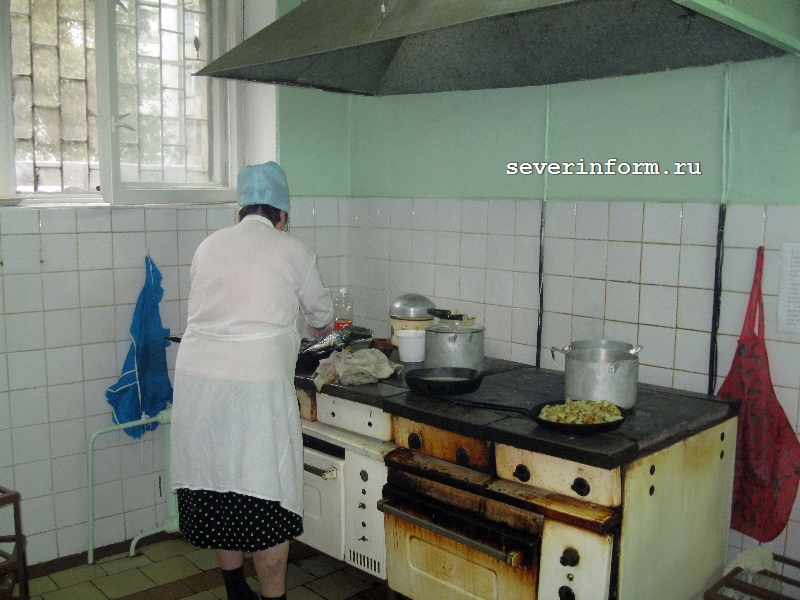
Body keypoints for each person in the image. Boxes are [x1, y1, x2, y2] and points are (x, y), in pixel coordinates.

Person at [171, 162, 333, 600]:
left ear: (241, 209)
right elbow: (321, 317)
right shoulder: (293, 249)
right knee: (265, 494)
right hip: (255, 387)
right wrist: (316, 330)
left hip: (198, 384)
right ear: (282, 214)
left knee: (217, 484)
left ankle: (235, 591)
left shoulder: (209, 245)